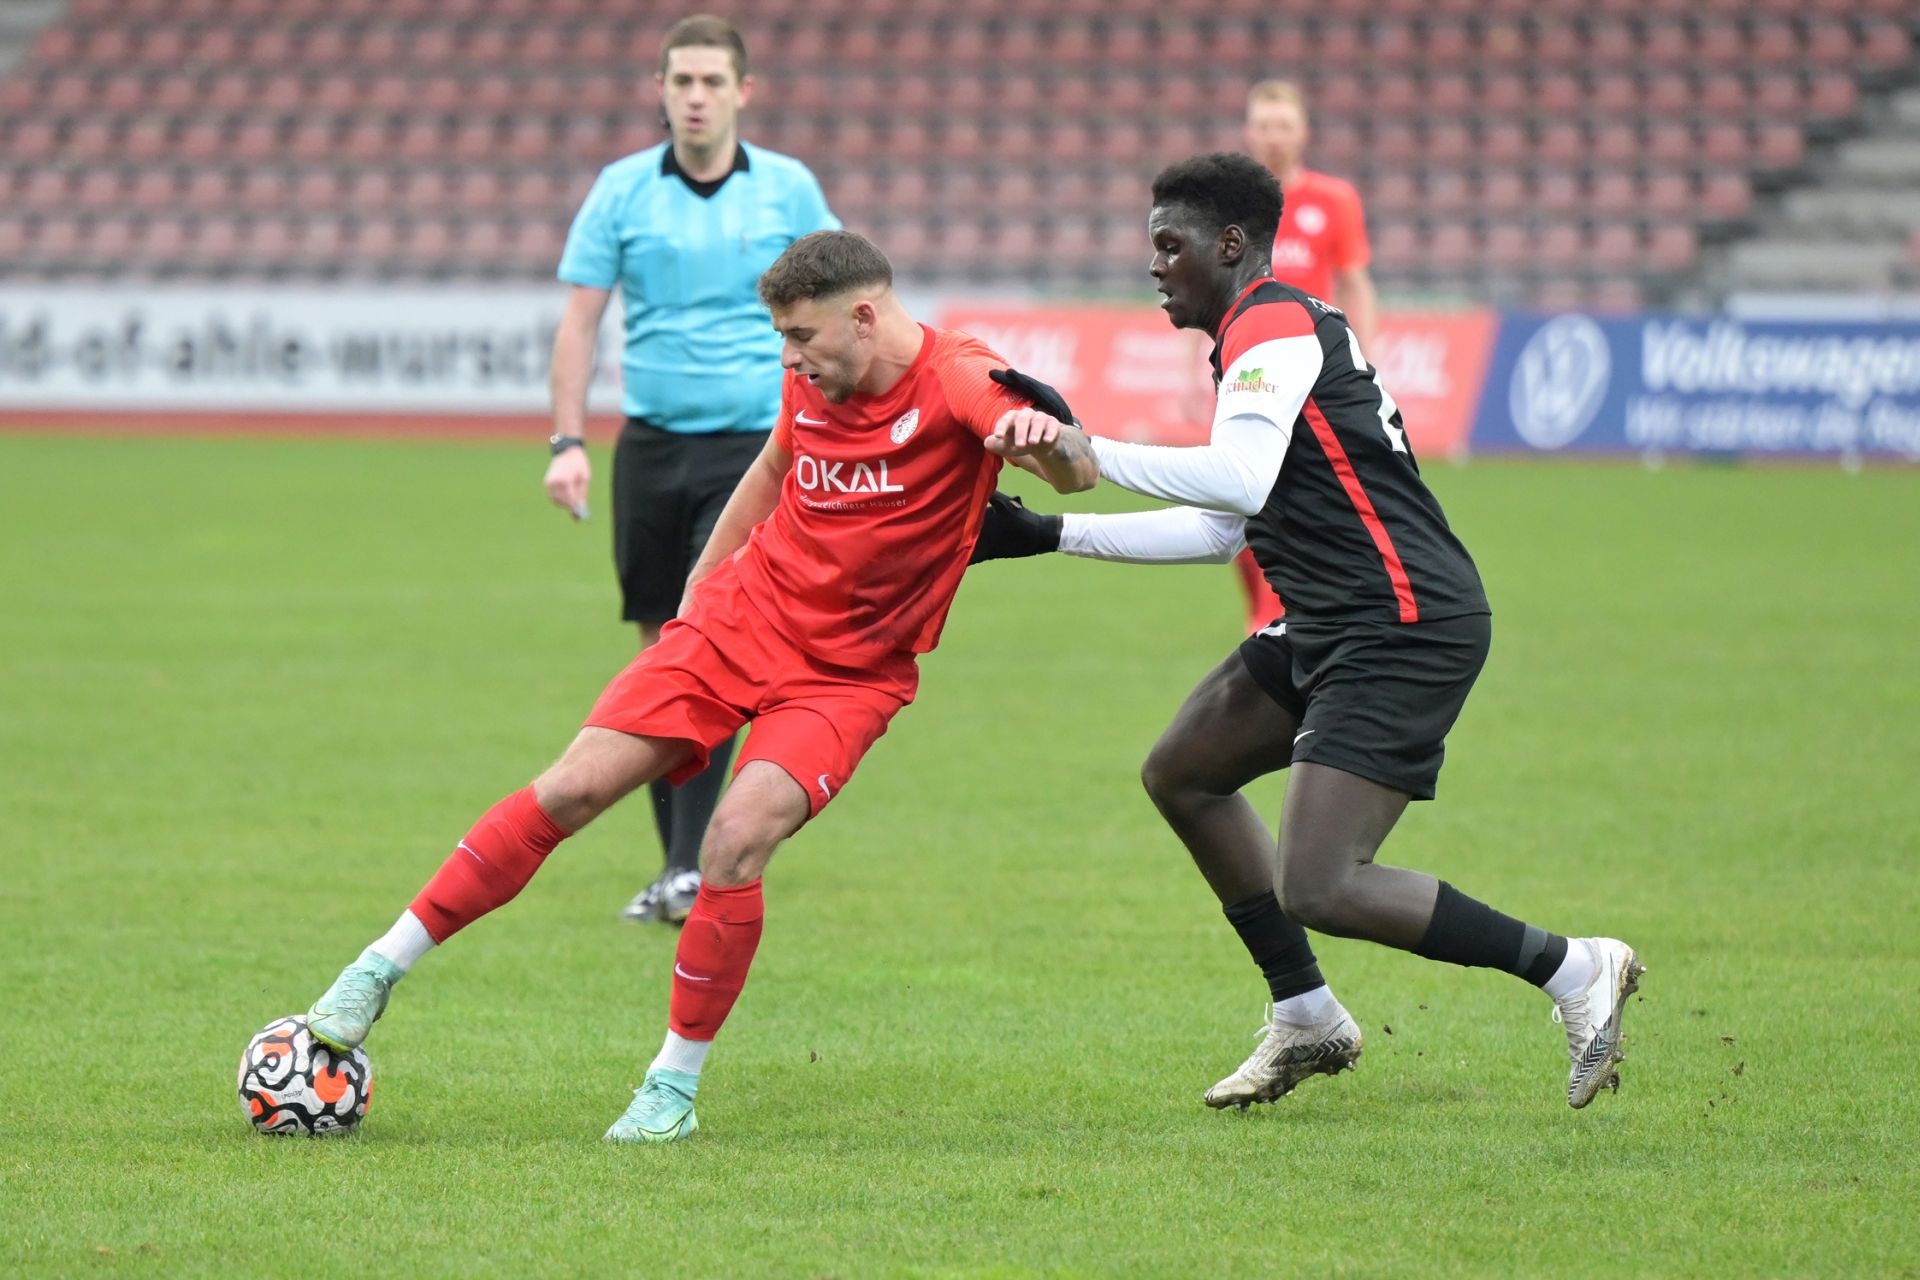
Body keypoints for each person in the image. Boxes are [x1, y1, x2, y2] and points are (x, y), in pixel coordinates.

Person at [303, 230, 1100, 1142]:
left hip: (847, 675)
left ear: (863, 317)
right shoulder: (815, 379)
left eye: (800, 336)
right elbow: (771, 468)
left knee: (734, 842)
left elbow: (1073, 472)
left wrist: (1049, 444)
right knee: (570, 789)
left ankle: (670, 1090)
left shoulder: (962, 378)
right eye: (782, 338)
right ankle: (375, 970)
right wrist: (698, 592)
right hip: (738, 620)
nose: (788, 357)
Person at [973, 154, 1641, 1111]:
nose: (1154, 264)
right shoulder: (1253, 337)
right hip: (1332, 617)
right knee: (1184, 772)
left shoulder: (1274, 324)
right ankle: (1306, 1014)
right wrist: (1050, 534)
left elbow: (1238, 478)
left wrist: (1090, 450)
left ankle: (1576, 967)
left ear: (1229, 244)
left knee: (1323, 886)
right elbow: (1223, 530)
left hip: (1402, 622)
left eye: (1170, 244)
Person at [542, 14, 840, 926]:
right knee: (662, 651)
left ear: (743, 91)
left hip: (756, 452)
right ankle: (682, 866)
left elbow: (845, 299)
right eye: (683, 82)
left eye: (713, 81)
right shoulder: (621, 190)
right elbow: (581, 321)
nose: (697, 97)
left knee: (716, 641)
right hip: (651, 447)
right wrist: (566, 443)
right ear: (661, 92)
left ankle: (688, 868)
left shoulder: (788, 189)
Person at [1229, 79, 1380, 634]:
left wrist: (1365, 356)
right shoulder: (1231, 203)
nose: (1274, 136)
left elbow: (1355, 281)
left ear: (1303, 133)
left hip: (1314, 371)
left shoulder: (1334, 200)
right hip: (1244, 367)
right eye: (1264, 125)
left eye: (1284, 125)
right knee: (1243, 490)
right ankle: (1265, 606)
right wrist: (1186, 366)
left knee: (1314, 488)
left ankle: (1299, 606)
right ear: (1249, 132)